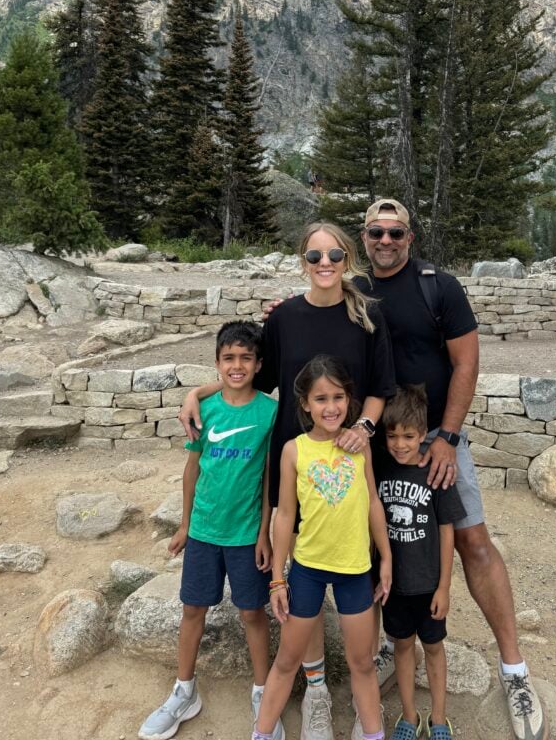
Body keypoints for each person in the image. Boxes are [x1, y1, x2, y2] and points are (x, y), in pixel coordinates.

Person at [179, 222, 396, 740]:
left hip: (350, 455)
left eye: (335, 254)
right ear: (302, 259)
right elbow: (255, 374)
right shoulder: (285, 318)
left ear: (347, 258)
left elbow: (381, 386)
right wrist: (200, 391)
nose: (326, 263)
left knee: (349, 557)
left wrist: (363, 431)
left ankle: (364, 670)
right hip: (293, 458)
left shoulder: (368, 314)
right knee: (302, 568)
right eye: (315, 254)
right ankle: (316, 688)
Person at [355, 199, 547, 740]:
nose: (386, 240)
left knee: (473, 541)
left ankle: (514, 670)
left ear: (410, 238)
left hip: (436, 437)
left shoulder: (437, 286)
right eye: (376, 232)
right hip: (374, 440)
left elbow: (466, 361)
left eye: (396, 232)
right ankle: (379, 665)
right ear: (364, 237)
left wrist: (448, 436)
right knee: (369, 543)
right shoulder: (351, 288)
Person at [139, 321, 282, 740]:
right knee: (192, 610)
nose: (236, 366)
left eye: (245, 358)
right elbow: (193, 468)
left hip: (245, 536)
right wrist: (185, 524)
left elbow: (270, 479)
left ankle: (263, 693)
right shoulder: (205, 409)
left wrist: (264, 533)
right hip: (203, 532)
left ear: (258, 364)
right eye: (228, 358)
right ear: (217, 362)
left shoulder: (270, 413)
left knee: (253, 613)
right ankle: (184, 691)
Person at [252, 355, 391, 740]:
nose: (330, 408)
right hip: (309, 569)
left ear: (349, 400)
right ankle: (262, 733)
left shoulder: (358, 446)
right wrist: (278, 579)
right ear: (305, 404)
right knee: (287, 661)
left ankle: (373, 733)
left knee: (362, 663)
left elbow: (373, 503)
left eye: (338, 398)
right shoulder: (294, 451)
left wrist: (387, 558)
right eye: (320, 399)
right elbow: (284, 517)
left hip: (354, 569)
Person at [378, 386, 466, 740]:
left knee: (432, 647)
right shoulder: (381, 470)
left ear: (422, 433)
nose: (400, 444)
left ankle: (440, 718)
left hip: (428, 584)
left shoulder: (436, 473)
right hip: (394, 585)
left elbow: (448, 532)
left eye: (409, 436)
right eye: (393, 436)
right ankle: (410, 716)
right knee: (400, 646)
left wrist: (444, 586)